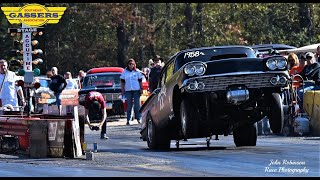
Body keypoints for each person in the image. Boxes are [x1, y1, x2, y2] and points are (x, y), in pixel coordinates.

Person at [120, 59, 143, 125]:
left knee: (137, 105)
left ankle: (139, 118)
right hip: (128, 90)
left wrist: (141, 88)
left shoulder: (137, 71)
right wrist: (122, 90)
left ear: (134, 64)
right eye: (130, 64)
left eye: (132, 64)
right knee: (129, 105)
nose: (131, 65)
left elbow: (140, 80)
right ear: (128, 64)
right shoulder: (125, 72)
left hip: (136, 90)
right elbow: (122, 82)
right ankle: (129, 119)